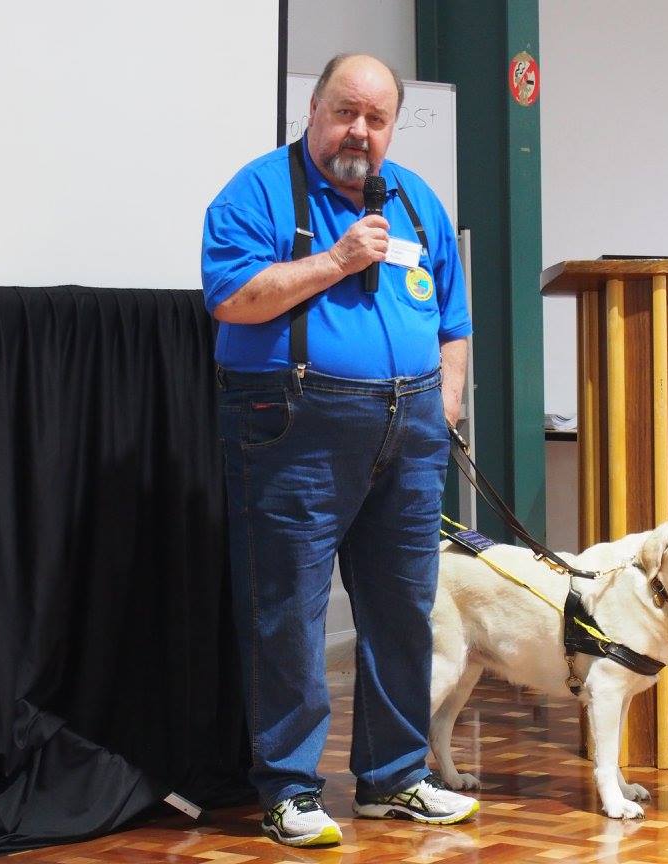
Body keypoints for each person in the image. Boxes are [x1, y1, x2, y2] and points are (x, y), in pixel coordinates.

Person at [200, 53, 476, 848]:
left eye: (376, 119)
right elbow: (231, 297)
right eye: (345, 112)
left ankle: (394, 779)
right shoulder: (257, 191)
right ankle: (289, 789)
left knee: (403, 609)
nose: (359, 131)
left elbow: (454, 320)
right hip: (294, 425)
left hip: (412, 429)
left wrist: (446, 400)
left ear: (392, 127)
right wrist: (337, 260)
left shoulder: (415, 200)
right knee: (288, 611)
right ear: (313, 110)